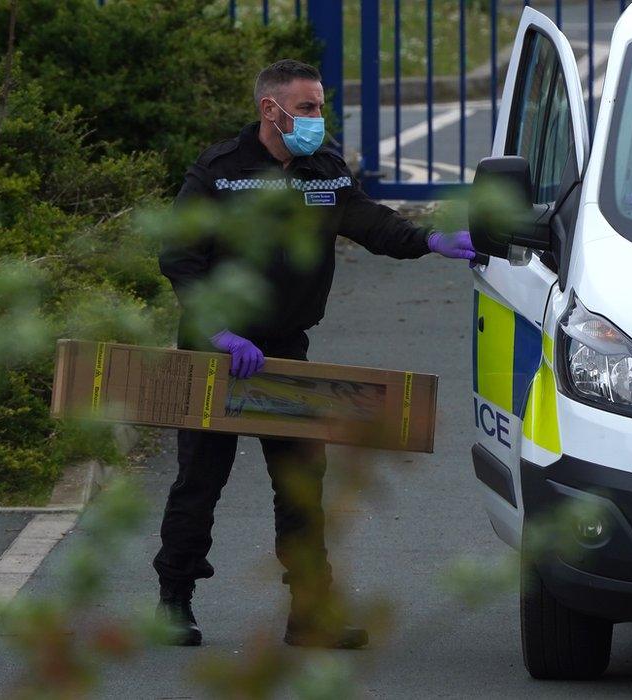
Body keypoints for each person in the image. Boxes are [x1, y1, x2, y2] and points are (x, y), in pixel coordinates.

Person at [154, 59, 474, 649]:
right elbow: (180, 257)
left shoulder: (322, 170)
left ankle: (309, 614)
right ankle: (174, 601)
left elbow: (370, 223)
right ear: (269, 110)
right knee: (200, 483)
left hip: (285, 351)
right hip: (217, 354)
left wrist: (429, 240)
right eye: (306, 108)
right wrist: (222, 333)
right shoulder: (219, 173)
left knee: (301, 485)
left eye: (320, 107)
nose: (316, 120)